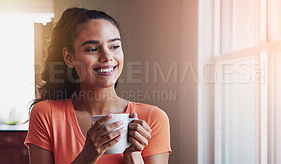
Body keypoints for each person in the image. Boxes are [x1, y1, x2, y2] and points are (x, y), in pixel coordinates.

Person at [24, 8, 171, 164]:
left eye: (114, 46)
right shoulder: (46, 114)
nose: (107, 56)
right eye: (92, 49)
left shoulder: (153, 118)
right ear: (69, 57)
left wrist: (134, 155)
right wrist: (89, 154)